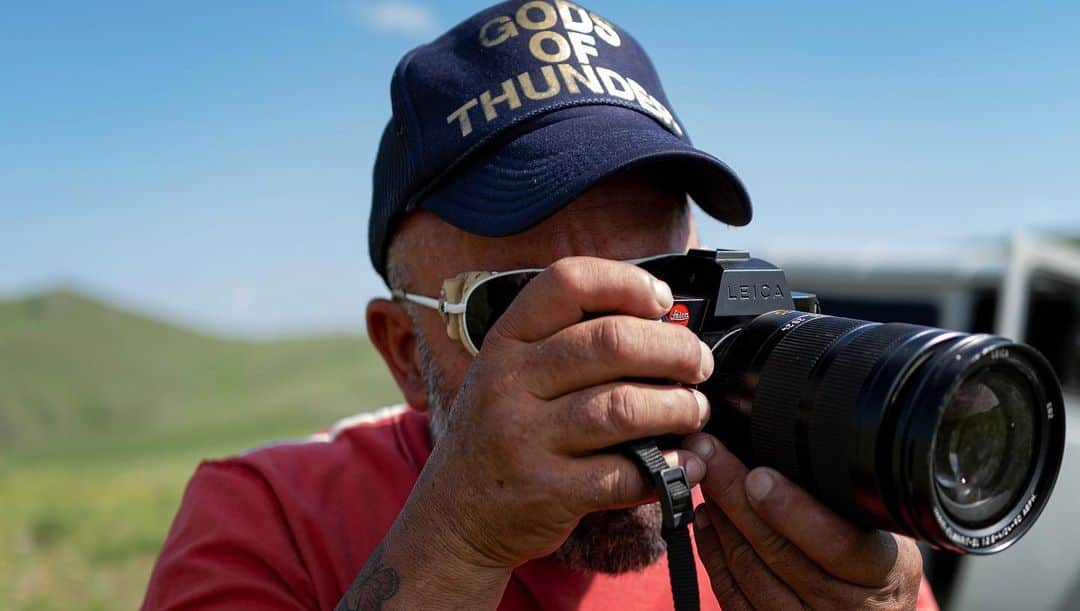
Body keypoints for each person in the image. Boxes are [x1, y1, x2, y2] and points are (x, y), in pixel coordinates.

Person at [143, 1, 937, 609]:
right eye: (519, 306)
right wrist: (455, 544)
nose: (615, 349)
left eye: (663, 280)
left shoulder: (790, 501)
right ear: (402, 350)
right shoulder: (266, 518)